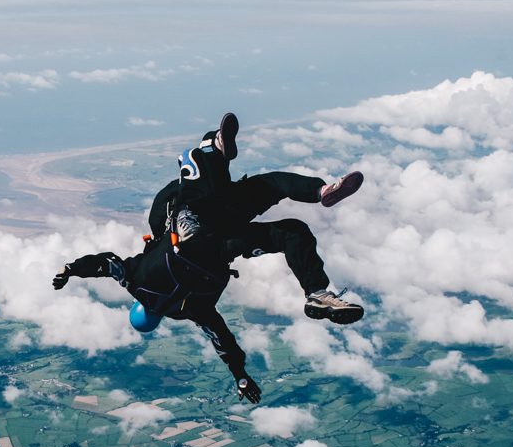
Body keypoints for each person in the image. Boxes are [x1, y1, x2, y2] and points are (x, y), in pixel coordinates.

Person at [148, 112, 365, 324]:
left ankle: (317, 294)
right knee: (196, 161)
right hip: (213, 225)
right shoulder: (157, 280)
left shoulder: (181, 298)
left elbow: (214, 323)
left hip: (227, 236)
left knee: (292, 229)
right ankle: (214, 144)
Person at [52, 230, 263, 404]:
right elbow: (105, 263)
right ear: (137, 306)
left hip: (220, 252)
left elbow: (222, 339)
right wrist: (71, 269)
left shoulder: (185, 311)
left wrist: (240, 375)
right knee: (160, 219)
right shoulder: (134, 283)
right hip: (186, 240)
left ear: (159, 319)